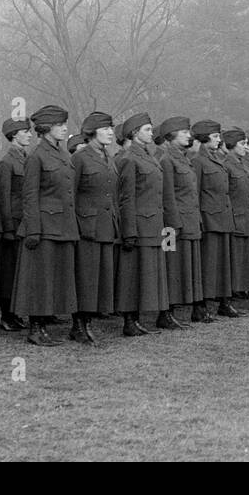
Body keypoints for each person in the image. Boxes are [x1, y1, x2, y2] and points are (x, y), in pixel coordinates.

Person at [13, 105, 79, 347]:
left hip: (62, 226)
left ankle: (43, 326)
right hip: (43, 229)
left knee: (53, 279)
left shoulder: (63, 155)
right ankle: (35, 328)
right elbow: (29, 196)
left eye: (64, 124)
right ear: (46, 128)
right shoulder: (37, 157)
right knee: (40, 280)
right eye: (60, 125)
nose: (64, 128)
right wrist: (33, 229)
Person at [115, 112, 171, 334]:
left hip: (152, 224)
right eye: (147, 129)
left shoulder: (149, 156)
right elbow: (126, 198)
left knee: (145, 274)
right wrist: (129, 230)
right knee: (132, 274)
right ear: (134, 133)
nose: (151, 132)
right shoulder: (129, 158)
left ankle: (137, 319)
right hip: (138, 224)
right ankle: (130, 321)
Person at [70, 111, 119, 344]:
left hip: (105, 226)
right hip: (86, 227)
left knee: (100, 277)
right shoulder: (80, 158)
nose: (111, 132)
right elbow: (70, 194)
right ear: (92, 132)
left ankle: (87, 322)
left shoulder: (108, 156)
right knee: (85, 277)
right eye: (106, 128)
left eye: (111, 128)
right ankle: (78, 325)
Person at [192, 119, 241, 318]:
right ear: (204, 139)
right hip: (209, 219)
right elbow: (195, 192)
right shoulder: (198, 161)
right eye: (214, 137)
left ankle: (223, 302)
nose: (219, 140)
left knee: (223, 264)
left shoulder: (216, 159)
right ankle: (200, 306)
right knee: (208, 265)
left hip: (223, 218)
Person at [159, 116, 205, 326]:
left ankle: (190, 309)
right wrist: (173, 226)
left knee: (187, 267)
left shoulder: (183, 158)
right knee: (171, 267)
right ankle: (165, 313)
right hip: (173, 226)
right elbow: (167, 196)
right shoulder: (166, 160)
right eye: (184, 132)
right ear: (171, 135)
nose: (189, 135)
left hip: (189, 221)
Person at [0, 117, 32, 330]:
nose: (29, 134)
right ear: (13, 135)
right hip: (13, 226)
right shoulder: (6, 163)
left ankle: (15, 314)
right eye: (25, 131)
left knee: (20, 271)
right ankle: (6, 316)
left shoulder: (27, 159)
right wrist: (7, 228)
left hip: (25, 224)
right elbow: (3, 198)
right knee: (8, 272)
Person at [224, 128, 249, 305]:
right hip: (234, 217)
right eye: (242, 144)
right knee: (234, 258)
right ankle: (229, 296)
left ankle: (237, 292)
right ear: (231, 145)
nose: (245, 147)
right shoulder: (227, 164)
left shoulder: (242, 164)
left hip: (245, 216)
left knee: (243, 257)